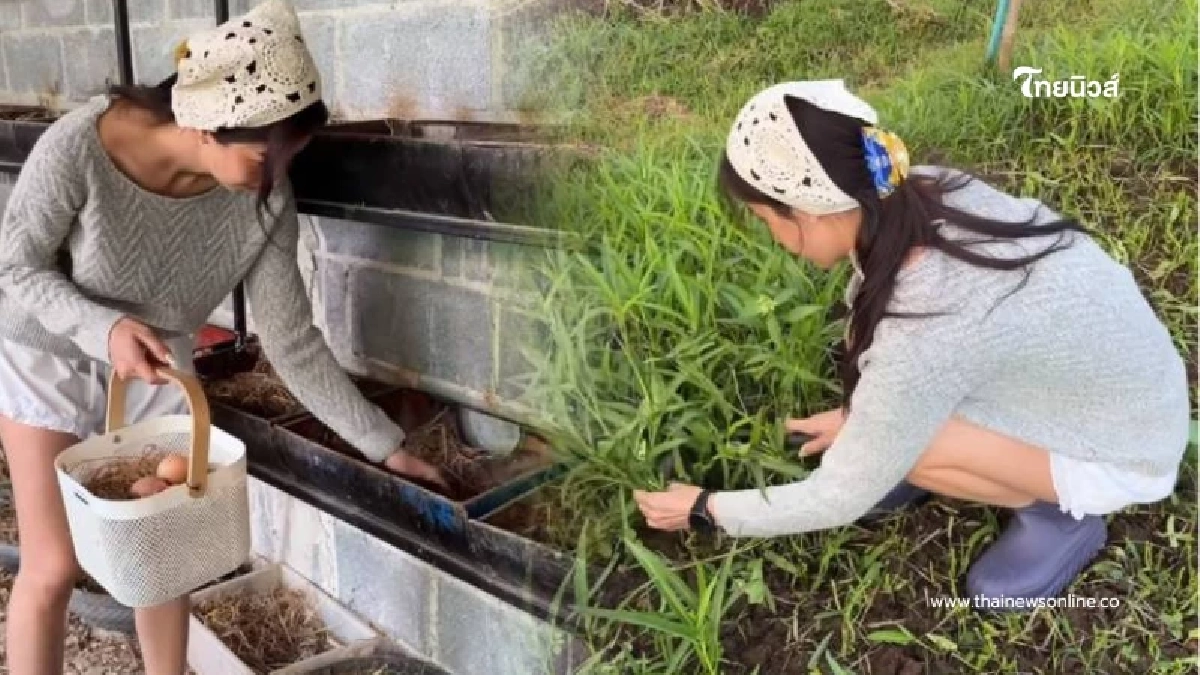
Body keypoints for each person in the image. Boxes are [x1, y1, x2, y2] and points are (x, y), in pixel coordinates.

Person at [0, 1, 445, 672]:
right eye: (266, 157)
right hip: (48, 351)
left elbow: (292, 341)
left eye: (290, 157)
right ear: (207, 126)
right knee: (54, 564)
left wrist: (385, 445)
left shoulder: (264, 202)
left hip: (158, 363)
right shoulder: (80, 146)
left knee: (163, 554)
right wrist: (106, 328)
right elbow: (16, 267)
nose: (276, 177)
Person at [633, 80, 1189, 610]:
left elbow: (838, 496)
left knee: (913, 449)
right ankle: (947, 457)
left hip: (1124, 451)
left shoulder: (929, 324)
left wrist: (705, 509)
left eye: (764, 219)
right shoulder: (921, 189)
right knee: (893, 429)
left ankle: (1060, 517)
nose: (771, 237)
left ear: (804, 212)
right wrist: (860, 418)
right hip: (1117, 394)